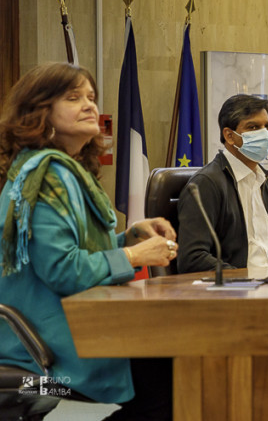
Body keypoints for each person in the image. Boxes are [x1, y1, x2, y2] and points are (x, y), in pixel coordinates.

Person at [0, 63, 176, 420]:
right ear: (40, 111)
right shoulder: (48, 175)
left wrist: (129, 236)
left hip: (73, 329)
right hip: (45, 356)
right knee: (172, 381)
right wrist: (132, 253)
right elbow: (64, 270)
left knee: (173, 368)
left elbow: (70, 251)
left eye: (92, 97)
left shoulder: (60, 169)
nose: (90, 105)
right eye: (73, 97)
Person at [177, 94, 268, 273]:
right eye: (253, 127)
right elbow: (193, 257)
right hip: (238, 291)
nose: (264, 133)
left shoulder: (264, 180)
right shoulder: (206, 184)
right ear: (229, 136)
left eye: (267, 126)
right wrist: (242, 280)